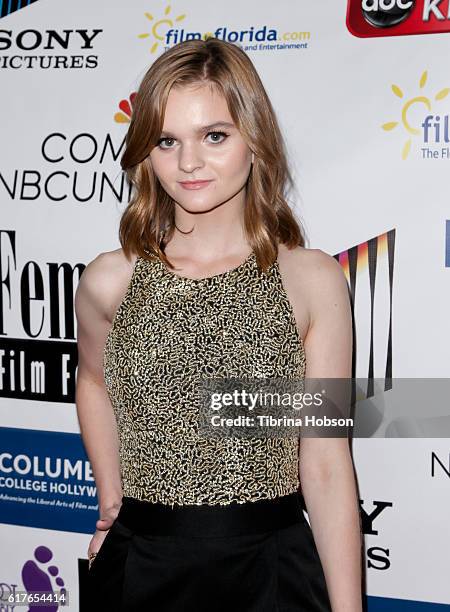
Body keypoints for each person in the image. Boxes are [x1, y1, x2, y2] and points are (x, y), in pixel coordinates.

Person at [75, 37, 363, 611]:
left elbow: (326, 463)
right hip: (142, 565)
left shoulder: (310, 281)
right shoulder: (111, 279)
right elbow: (93, 381)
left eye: (214, 136)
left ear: (254, 139)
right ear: (146, 153)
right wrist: (112, 501)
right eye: (166, 140)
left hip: (271, 571)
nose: (188, 163)